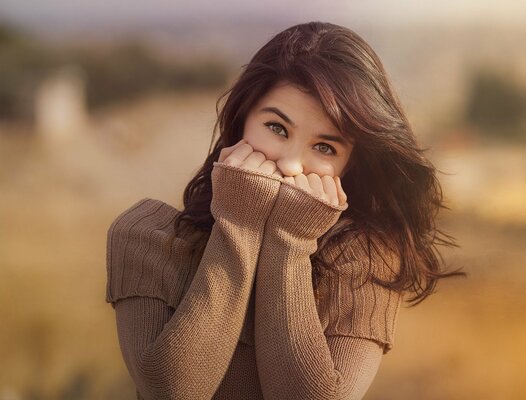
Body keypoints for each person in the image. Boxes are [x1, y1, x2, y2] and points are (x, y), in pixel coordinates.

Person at [105, 21, 465, 400]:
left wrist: (289, 241)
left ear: (348, 166)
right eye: (277, 127)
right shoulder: (147, 238)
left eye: (325, 148)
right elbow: (172, 393)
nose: (292, 165)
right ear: (241, 120)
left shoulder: (364, 263)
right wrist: (240, 225)